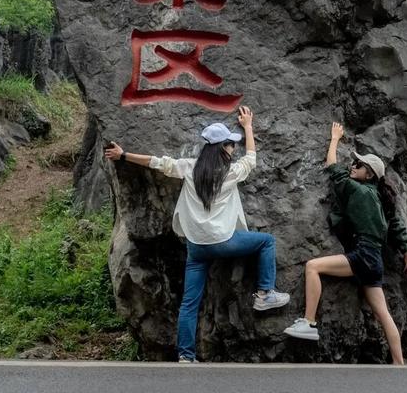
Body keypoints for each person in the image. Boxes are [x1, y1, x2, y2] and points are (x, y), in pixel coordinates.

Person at [103, 105, 290, 363]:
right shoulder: (231, 172)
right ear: (223, 147)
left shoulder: (190, 168)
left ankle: (186, 355)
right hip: (224, 242)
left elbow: (157, 163)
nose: (233, 148)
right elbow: (251, 159)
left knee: (190, 303)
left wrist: (123, 156)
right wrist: (247, 126)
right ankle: (265, 294)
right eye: (231, 145)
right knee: (266, 242)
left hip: (197, 246)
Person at [282, 121, 407, 365]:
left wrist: (335, 138)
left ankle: (308, 323)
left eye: (359, 165)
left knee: (313, 266)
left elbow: (333, 167)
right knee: (384, 314)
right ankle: (399, 364)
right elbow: (396, 226)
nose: (353, 166)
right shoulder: (380, 199)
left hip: (363, 253)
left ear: (369, 175)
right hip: (375, 260)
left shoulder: (357, 189)